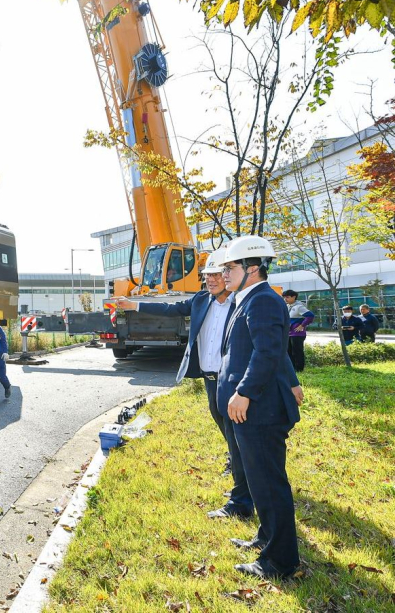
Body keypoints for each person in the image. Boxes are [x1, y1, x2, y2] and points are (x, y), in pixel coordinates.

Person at [218, 235, 302, 580]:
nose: (224, 273)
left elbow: (267, 353)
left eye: (230, 267)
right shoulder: (250, 298)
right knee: (260, 481)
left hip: (260, 409)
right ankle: (267, 538)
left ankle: (280, 562)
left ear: (252, 268)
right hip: (254, 408)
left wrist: (244, 392)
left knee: (269, 483)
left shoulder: (263, 300)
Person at [117, 247, 234, 475]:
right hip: (210, 376)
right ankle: (235, 455)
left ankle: (238, 464)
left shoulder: (239, 304)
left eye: (216, 274)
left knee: (234, 422)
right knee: (219, 418)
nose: (210, 279)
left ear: (228, 275)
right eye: (207, 275)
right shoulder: (200, 300)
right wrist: (134, 305)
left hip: (231, 376)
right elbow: (170, 309)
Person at [282, 289, 314, 372]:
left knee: (297, 351)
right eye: (284, 297)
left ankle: (299, 369)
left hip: (297, 334)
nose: (285, 299)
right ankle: (292, 369)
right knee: (289, 351)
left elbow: (310, 316)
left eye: (287, 297)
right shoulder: (288, 306)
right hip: (289, 333)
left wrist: (302, 325)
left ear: (294, 297)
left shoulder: (299, 307)